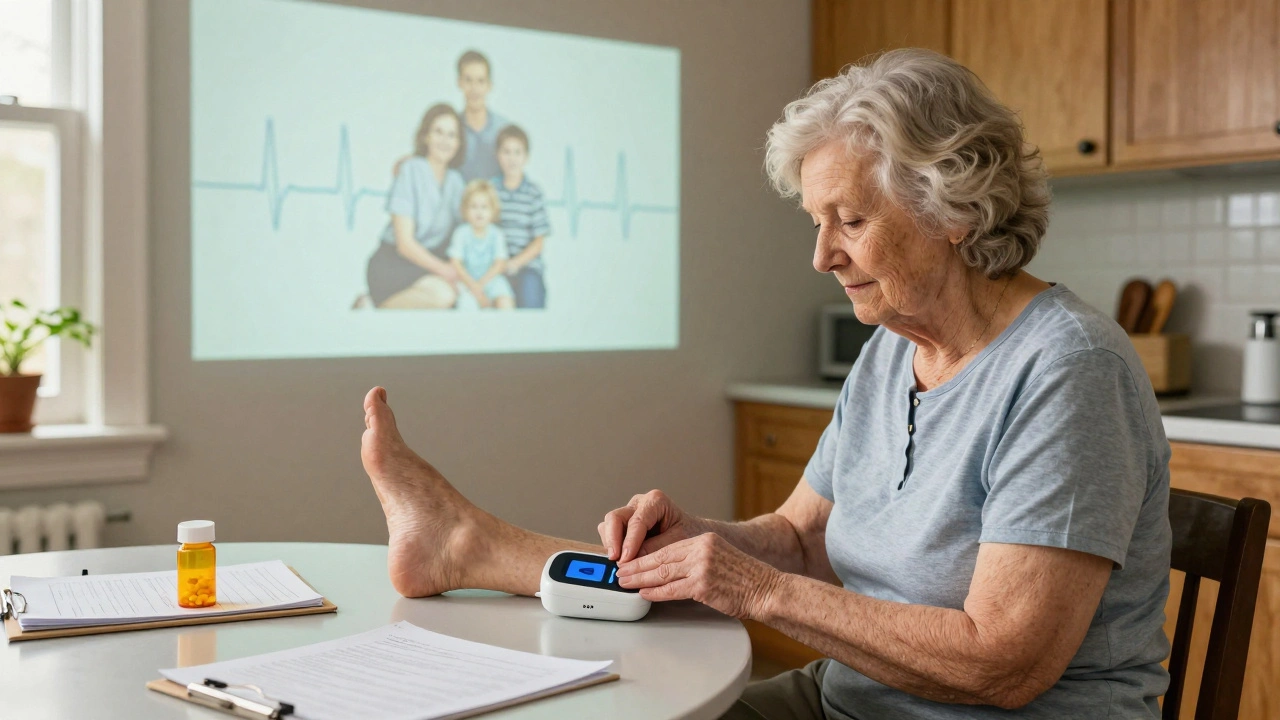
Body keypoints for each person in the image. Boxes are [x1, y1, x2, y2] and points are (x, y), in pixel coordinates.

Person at [359, 48, 1172, 718]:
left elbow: (1004, 665)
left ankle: (472, 545)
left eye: (850, 221)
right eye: (816, 223)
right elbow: (802, 539)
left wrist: (754, 588)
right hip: (860, 700)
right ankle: (467, 546)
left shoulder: (1069, 372)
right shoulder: (894, 348)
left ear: (954, 208)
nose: (822, 257)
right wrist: (708, 543)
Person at [366, 104, 466, 309]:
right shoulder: (410, 170)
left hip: (427, 266)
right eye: (438, 132)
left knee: (461, 298)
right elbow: (404, 244)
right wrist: (445, 270)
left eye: (452, 135)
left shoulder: (456, 182)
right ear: (426, 136)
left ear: (458, 143)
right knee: (444, 297)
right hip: (393, 263)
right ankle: (374, 305)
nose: (445, 141)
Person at [492, 125, 551, 308]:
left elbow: (539, 241)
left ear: (526, 157)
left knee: (530, 298)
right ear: (498, 155)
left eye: (517, 152)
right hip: (495, 267)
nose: (512, 158)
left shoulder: (533, 193)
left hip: (526, 267)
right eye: (506, 152)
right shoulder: (490, 190)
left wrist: (515, 263)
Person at [448, 180, 515, 310]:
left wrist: (481, 285)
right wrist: (473, 286)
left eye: (484, 207)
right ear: (465, 210)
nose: (479, 212)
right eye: (474, 207)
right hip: (467, 281)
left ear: (493, 210)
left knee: (505, 301)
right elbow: (456, 263)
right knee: (466, 306)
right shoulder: (461, 233)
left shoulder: (496, 234)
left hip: (491, 280)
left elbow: (499, 264)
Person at [455, 50, 508, 183]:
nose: (474, 88)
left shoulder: (503, 129)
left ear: (489, 85)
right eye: (468, 80)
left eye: (480, 81)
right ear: (459, 83)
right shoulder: (451, 128)